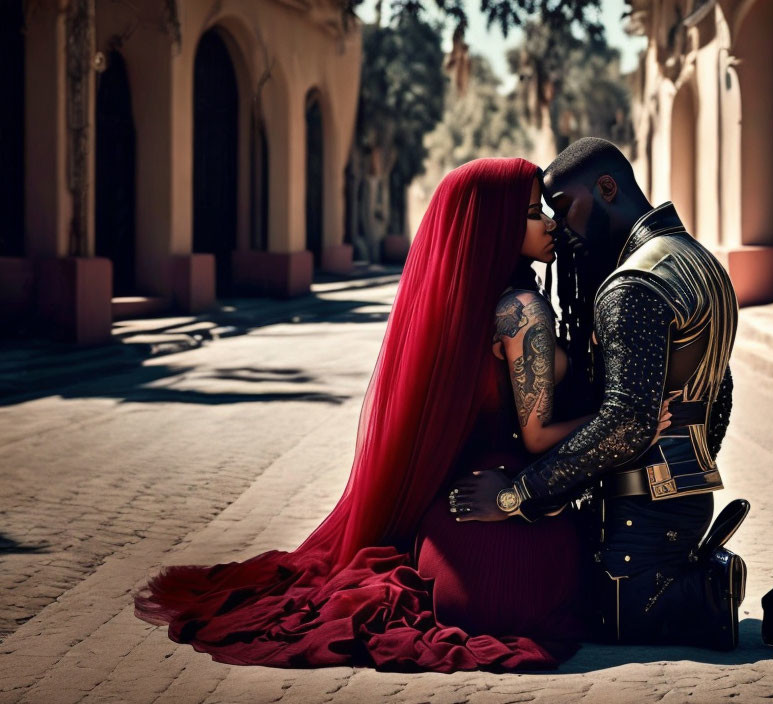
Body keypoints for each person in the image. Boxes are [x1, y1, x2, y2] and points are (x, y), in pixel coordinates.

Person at [134, 157, 642, 672]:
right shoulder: (522, 311)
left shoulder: (470, 301)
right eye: (535, 213)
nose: (551, 223)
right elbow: (537, 439)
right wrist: (623, 418)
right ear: (497, 224)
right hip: (501, 511)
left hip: (450, 519)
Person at [453, 138, 748, 650]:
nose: (558, 225)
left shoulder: (633, 283)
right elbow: (719, 389)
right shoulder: (700, 262)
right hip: (684, 494)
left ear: (607, 188)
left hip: (639, 507)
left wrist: (516, 496)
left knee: (605, 621)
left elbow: (627, 423)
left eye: (564, 208)